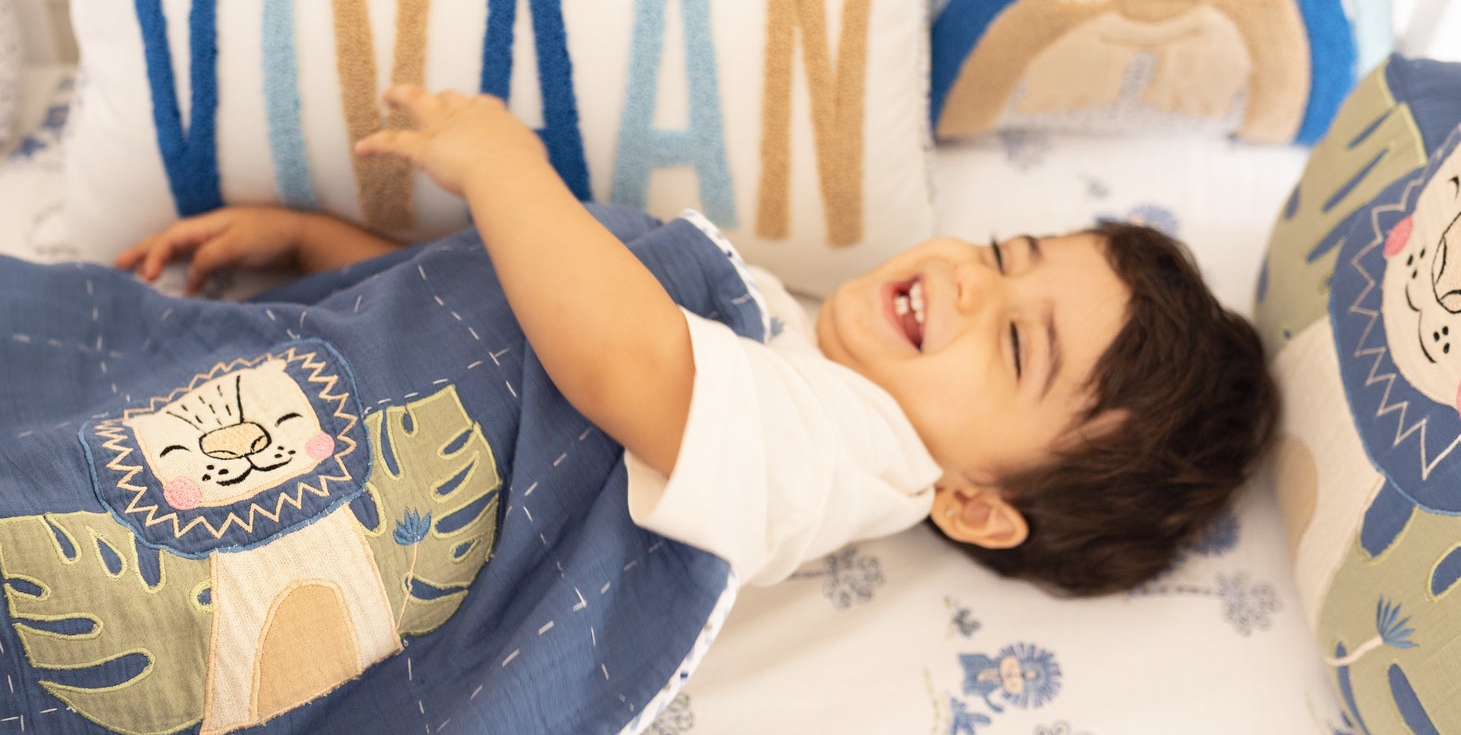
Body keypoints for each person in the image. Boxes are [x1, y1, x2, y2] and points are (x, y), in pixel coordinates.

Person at [118, 85, 1278, 596]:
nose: (971, 284)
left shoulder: (850, 461)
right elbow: (490, 311)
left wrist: (507, 168)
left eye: (1018, 347)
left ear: (973, 504)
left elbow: (619, 366)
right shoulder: (779, 324)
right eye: (1004, 253)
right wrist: (318, 246)